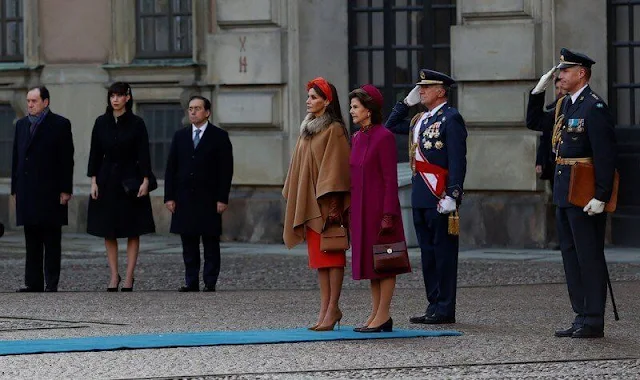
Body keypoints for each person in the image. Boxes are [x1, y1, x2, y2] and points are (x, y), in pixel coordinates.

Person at [544, 48, 617, 339]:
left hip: (585, 194)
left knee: (588, 255)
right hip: (565, 191)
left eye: (565, 70)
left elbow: (606, 155)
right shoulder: (567, 105)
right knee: (570, 256)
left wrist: (601, 194)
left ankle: (593, 319)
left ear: (581, 73)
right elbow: (536, 122)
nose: (559, 75)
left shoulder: (593, 107)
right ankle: (580, 314)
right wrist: (536, 93)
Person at [385, 69, 467, 324]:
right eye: (419, 87)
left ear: (440, 91)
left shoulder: (451, 118)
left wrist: (453, 193)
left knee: (443, 254)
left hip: (440, 195)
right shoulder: (420, 118)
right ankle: (433, 304)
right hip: (421, 193)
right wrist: (404, 104)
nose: (420, 90)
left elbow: (457, 159)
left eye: (426, 87)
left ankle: (445, 307)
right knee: (428, 254)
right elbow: (389, 127)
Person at [282, 77, 351, 331]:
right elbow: (299, 167)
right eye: (308, 96)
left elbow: (337, 169)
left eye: (313, 97)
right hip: (310, 201)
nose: (308, 101)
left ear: (326, 101)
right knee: (319, 260)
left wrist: (334, 206)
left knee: (333, 256)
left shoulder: (334, 129)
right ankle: (325, 309)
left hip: (327, 204)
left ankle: (333, 307)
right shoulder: (308, 128)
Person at [349, 84, 411, 333]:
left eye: (355, 107)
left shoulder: (384, 137)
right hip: (362, 212)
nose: (352, 111)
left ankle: (383, 314)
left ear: (368, 109)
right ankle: (375, 313)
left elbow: (389, 179)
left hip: (381, 213)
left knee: (386, 263)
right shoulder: (356, 138)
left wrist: (388, 215)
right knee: (371, 265)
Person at [87, 82, 156, 292]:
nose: (114, 99)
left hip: (130, 180)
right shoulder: (101, 122)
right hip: (107, 180)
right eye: (111, 95)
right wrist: (93, 181)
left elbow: (144, 153)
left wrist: (145, 180)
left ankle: (128, 277)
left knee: (132, 229)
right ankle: (113, 275)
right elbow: (95, 154)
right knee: (109, 231)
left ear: (127, 97)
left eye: (119, 95)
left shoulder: (137, 123)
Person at [164, 95, 234, 293]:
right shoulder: (180, 136)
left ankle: (210, 280)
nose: (193, 112)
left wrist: (222, 198)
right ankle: (191, 281)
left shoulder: (219, 136)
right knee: (188, 241)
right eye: (190, 108)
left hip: (209, 198)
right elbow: (171, 168)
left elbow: (225, 170)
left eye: (197, 108)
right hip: (184, 197)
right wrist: (169, 196)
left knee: (210, 240)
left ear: (207, 112)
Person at [11, 86, 74, 292]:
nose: (29, 104)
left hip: (51, 191)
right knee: (32, 239)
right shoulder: (21, 125)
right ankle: (33, 282)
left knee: (51, 238)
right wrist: (15, 188)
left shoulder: (60, 124)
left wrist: (65, 190)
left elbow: (66, 160)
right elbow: (16, 157)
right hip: (27, 190)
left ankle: (51, 282)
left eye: (34, 101)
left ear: (45, 102)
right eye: (28, 101)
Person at [528, 76, 566, 187]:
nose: (559, 91)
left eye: (562, 88)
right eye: (557, 88)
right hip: (553, 161)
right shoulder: (552, 109)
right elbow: (543, 137)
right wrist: (539, 160)